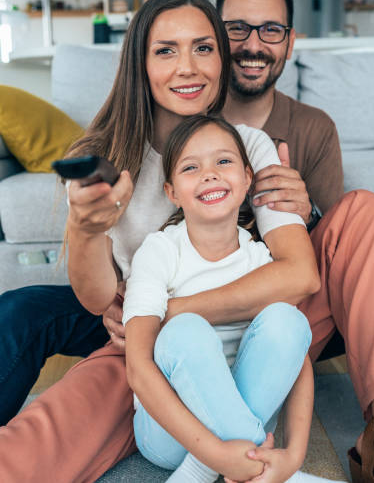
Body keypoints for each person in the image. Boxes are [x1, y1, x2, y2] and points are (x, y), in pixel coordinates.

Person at [0, 0, 320, 482]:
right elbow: (98, 299)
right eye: (165, 50)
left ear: (221, 58)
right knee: (23, 322)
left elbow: (298, 278)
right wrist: (85, 230)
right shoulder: (107, 156)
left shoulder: (247, 147)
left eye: (203, 47)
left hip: (182, 319)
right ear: (140, 64)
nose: (187, 67)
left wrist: (158, 316)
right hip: (131, 320)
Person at [215, 0, 374, 483]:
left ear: (290, 41)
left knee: (367, 208)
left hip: (288, 313)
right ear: (213, 34)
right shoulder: (184, 115)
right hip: (202, 309)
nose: (253, 45)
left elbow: (339, 249)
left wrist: (307, 213)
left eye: (270, 30)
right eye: (236, 28)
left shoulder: (313, 127)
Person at [122, 114, 315, 483]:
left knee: (289, 321)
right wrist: (214, 452)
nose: (210, 174)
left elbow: (297, 358)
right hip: (169, 436)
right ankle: (224, 462)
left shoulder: (259, 260)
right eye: (191, 167)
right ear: (172, 192)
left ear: (247, 180)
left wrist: (294, 454)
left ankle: (214, 466)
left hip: (247, 416)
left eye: (223, 161)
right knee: (185, 330)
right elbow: (138, 368)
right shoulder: (159, 252)